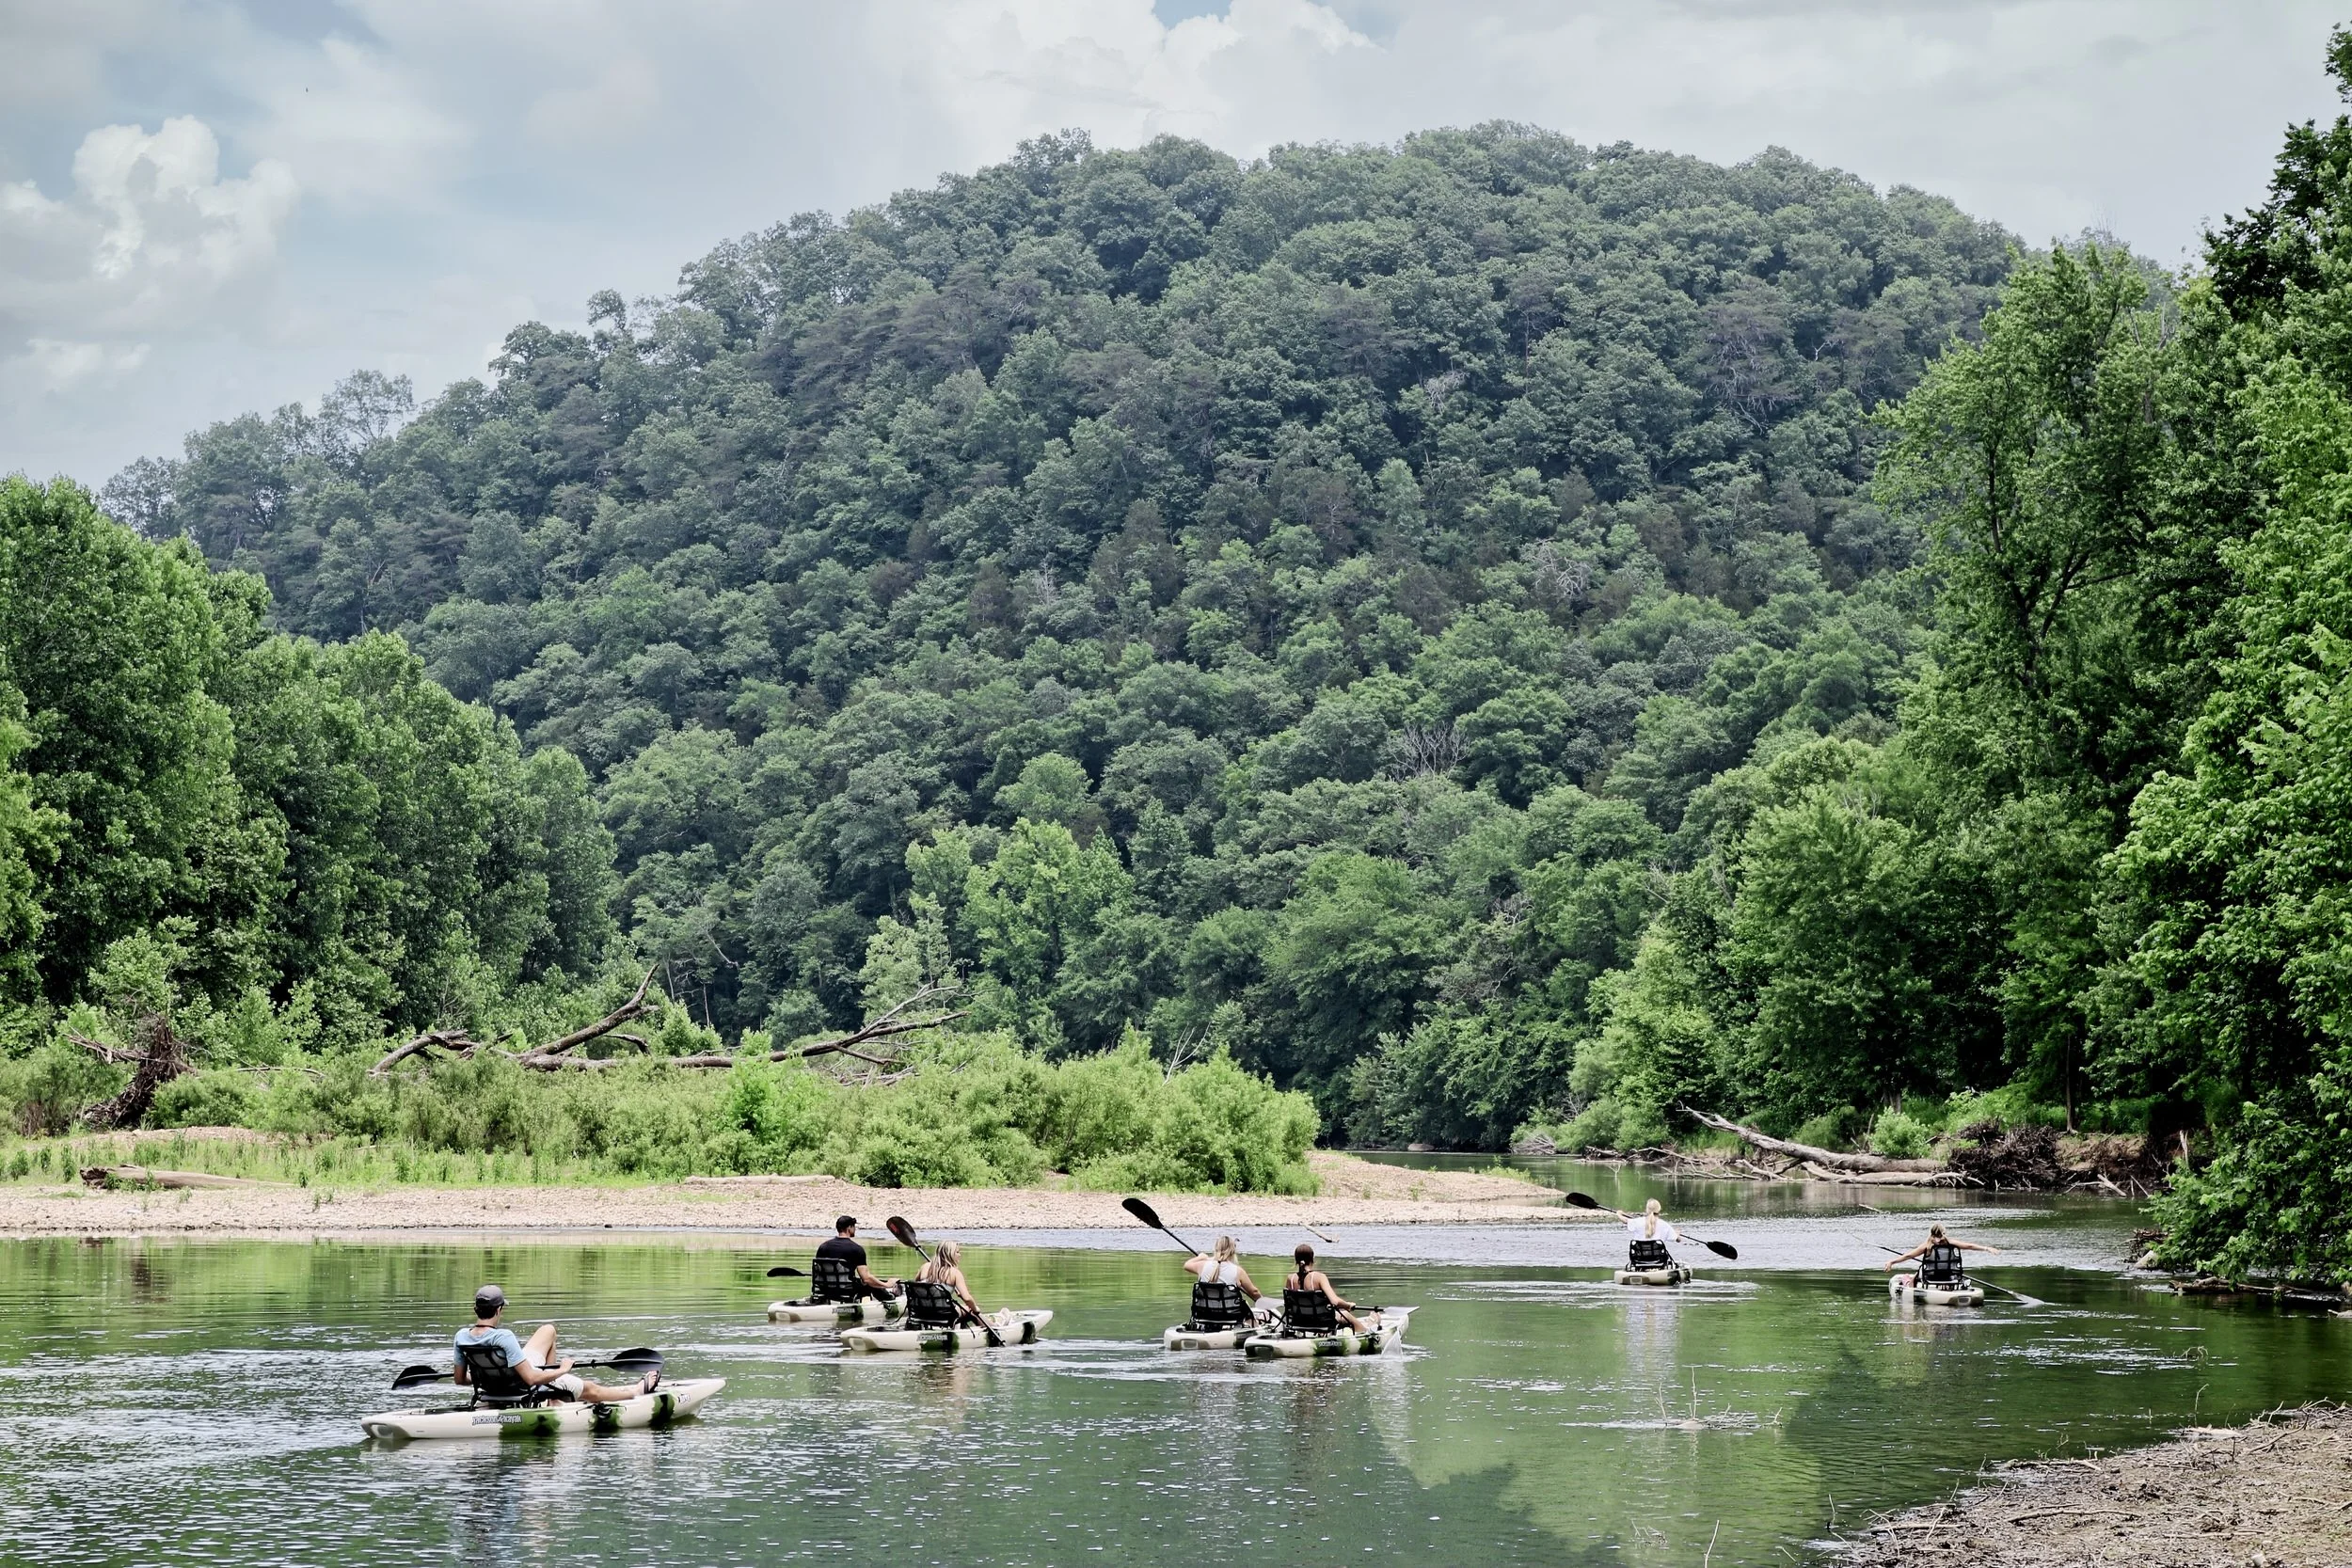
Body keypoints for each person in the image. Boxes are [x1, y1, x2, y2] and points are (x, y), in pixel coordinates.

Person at [453, 1285, 655, 1402]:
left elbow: (460, 1380)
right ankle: (634, 1392)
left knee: (548, 1330)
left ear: (475, 1309)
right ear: (499, 1310)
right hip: (522, 1385)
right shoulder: (504, 1337)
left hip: (499, 1381)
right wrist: (562, 1369)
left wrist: (486, 1376)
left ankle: (554, 1399)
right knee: (590, 1388)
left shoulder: (461, 1337)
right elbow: (531, 1379)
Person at [815, 1215, 900, 1300]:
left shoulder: (823, 1247)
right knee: (869, 1283)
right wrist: (887, 1284)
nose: (855, 1229)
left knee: (862, 1281)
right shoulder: (856, 1249)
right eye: (854, 1227)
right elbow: (866, 1279)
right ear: (849, 1228)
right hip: (846, 1291)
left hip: (824, 1289)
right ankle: (889, 1298)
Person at [1885, 1223, 1999, 1287]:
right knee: (1919, 1272)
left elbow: (1908, 1256)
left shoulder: (1926, 1246)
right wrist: (1986, 1248)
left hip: (1930, 1275)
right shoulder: (1951, 1243)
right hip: (1948, 1274)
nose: (1938, 1241)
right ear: (1943, 1234)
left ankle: (1907, 1282)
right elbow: (1969, 1246)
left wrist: (1892, 1262)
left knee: (1919, 1272)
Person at [1285, 1243, 1361, 1332]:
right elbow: (1335, 1302)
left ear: (1296, 1260)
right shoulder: (1320, 1277)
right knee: (1346, 1315)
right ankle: (1366, 1334)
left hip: (1298, 1321)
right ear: (1312, 1259)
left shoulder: (1290, 1279)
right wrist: (1348, 1305)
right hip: (1321, 1321)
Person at [1184, 1234, 1264, 1315]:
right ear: (1233, 1251)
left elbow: (1187, 1265)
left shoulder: (1202, 1265)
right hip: (1231, 1315)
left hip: (1205, 1314)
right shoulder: (1238, 1271)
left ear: (1215, 1249)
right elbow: (1254, 1292)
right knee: (1249, 1310)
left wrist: (1201, 1257)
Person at [916, 1238, 985, 1321]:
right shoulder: (955, 1273)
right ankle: (994, 1328)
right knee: (970, 1309)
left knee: (964, 1308)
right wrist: (975, 1308)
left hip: (921, 1311)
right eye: (957, 1252)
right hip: (943, 1313)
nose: (960, 1255)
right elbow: (967, 1298)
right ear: (950, 1254)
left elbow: (916, 1287)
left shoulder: (924, 1267)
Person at [1611, 1197, 1683, 1269]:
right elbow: (1678, 1239)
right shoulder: (1664, 1225)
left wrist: (1619, 1214)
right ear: (1659, 1210)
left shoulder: (1637, 1222)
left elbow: (1625, 1220)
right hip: (1658, 1259)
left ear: (1646, 1210)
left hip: (1639, 1258)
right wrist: (1677, 1233)